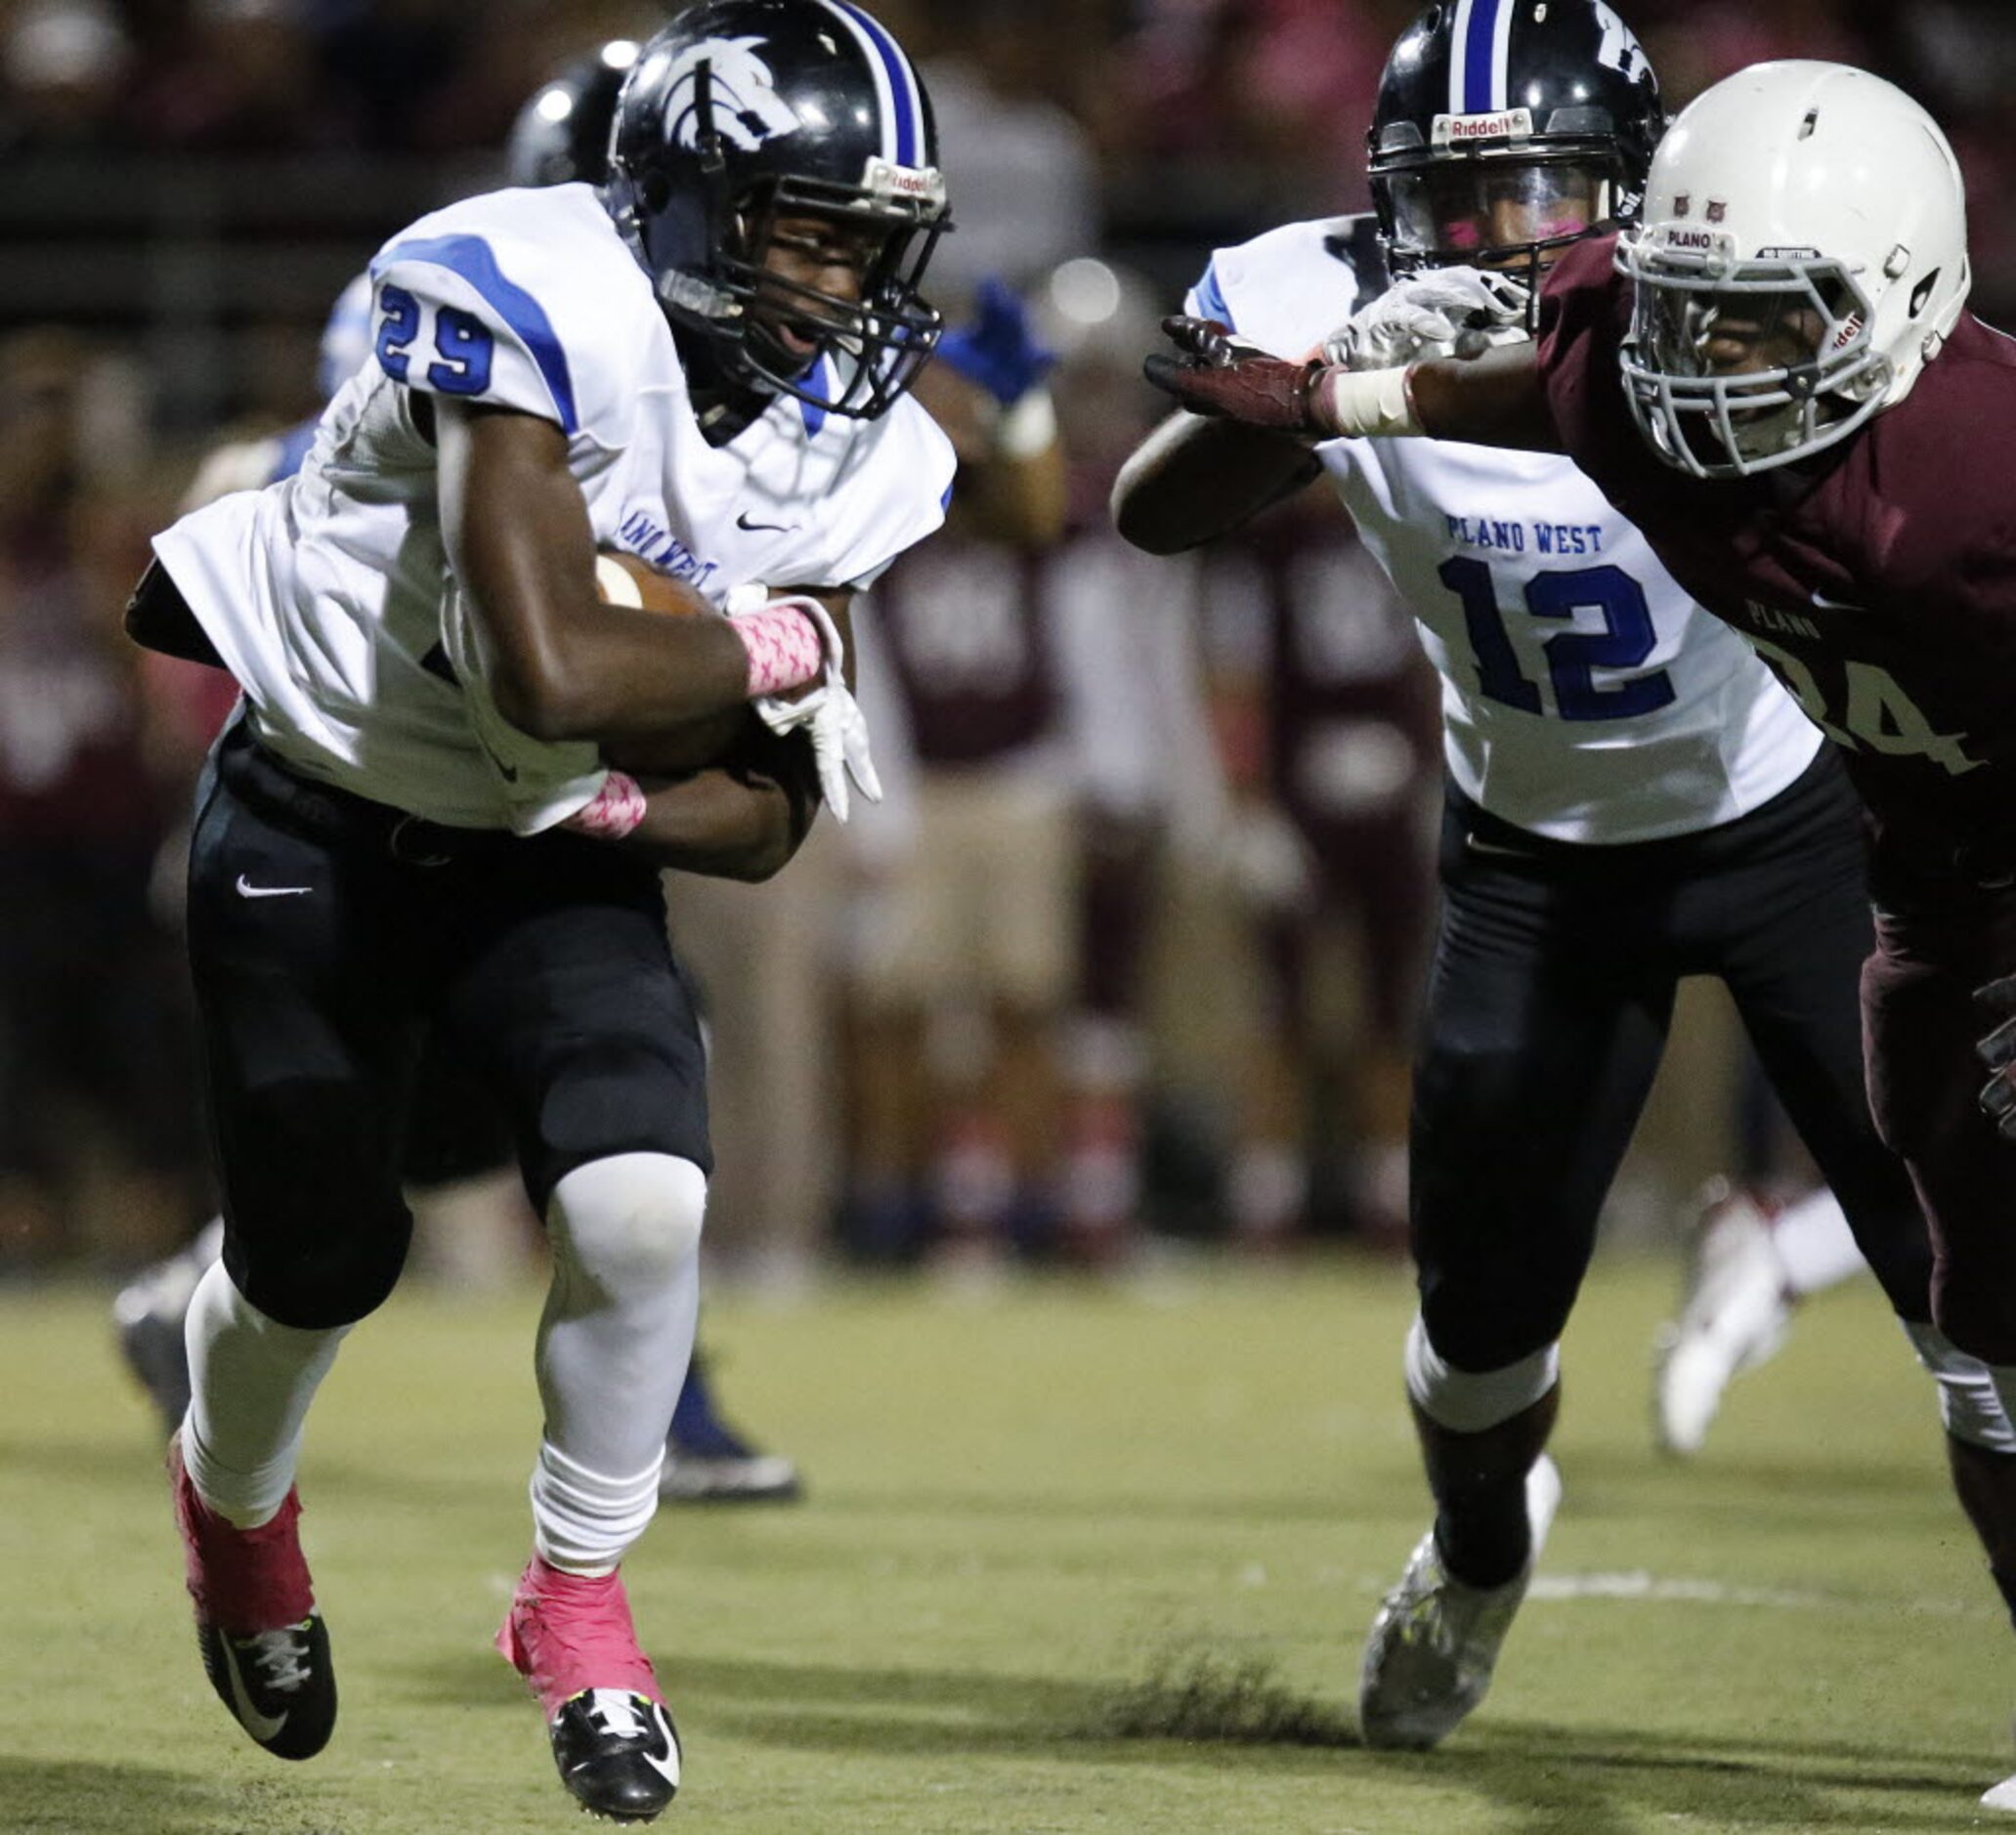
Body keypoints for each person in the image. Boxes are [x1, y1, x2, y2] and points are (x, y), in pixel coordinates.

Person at [1140, 52, 2016, 1811]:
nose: (1495, 234)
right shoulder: (1596, 354)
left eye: (1539, 194)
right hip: (1543, 856)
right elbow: (1162, 507)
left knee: (1973, 1302)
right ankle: (1479, 1553)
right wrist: (1333, 387)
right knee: (1476, 1329)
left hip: (1807, 833)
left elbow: (1615, 393)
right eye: (1457, 195)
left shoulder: (1899, 450)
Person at [132, 1, 953, 1821]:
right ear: (683, 203)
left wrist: (630, 804)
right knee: (318, 1261)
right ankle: (236, 1502)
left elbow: (765, 818)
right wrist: (758, 641)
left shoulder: (848, 439)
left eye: (870, 242)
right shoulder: (522, 292)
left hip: (539, 840)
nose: (846, 286)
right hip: (316, 812)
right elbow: (549, 658)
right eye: (809, 227)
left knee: (649, 1200)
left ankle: (578, 1604)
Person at [114, 35, 802, 1511]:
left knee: (567, 1106)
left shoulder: (721, 358)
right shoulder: (468, 301)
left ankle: (650, 1409)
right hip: (365, 757)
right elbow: (324, 481)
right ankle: (221, 1303)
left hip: (538, 775)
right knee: (386, 1145)